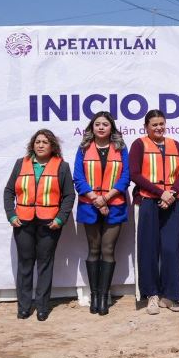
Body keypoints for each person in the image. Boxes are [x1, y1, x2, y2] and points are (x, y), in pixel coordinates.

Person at [3, 129, 74, 321]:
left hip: (49, 223)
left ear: (52, 146)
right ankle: (24, 306)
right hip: (23, 221)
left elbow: (69, 196)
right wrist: (11, 215)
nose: (40, 145)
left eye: (45, 142)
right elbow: (9, 191)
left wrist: (60, 219)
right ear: (32, 145)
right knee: (25, 264)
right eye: (37, 142)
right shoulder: (21, 164)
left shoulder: (62, 167)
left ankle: (42, 307)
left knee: (45, 264)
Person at [129, 109, 179, 315]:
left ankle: (169, 296)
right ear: (146, 126)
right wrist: (160, 193)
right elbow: (134, 174)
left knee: (170, 249)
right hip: (148, 202)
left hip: (171, 201)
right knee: (148, 249)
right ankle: (151, 295)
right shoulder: (139, 144)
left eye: (161, 123)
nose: (159, 127)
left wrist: (170, 193)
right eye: (154, 124)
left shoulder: (175, 144)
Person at [73, 111, 130, 316]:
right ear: (92, 127)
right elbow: (78, 177)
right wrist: (96, 199)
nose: (101, 127)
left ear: (111, 128)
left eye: (105, 124)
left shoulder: (121, 148)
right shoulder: (83, 149)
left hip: (114, 204)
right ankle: (95, 295)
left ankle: (105, 295)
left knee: (108, 250)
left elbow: (126, 177)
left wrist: (105, 199)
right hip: (89, 205)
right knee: (93, 250)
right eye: (97, 124)